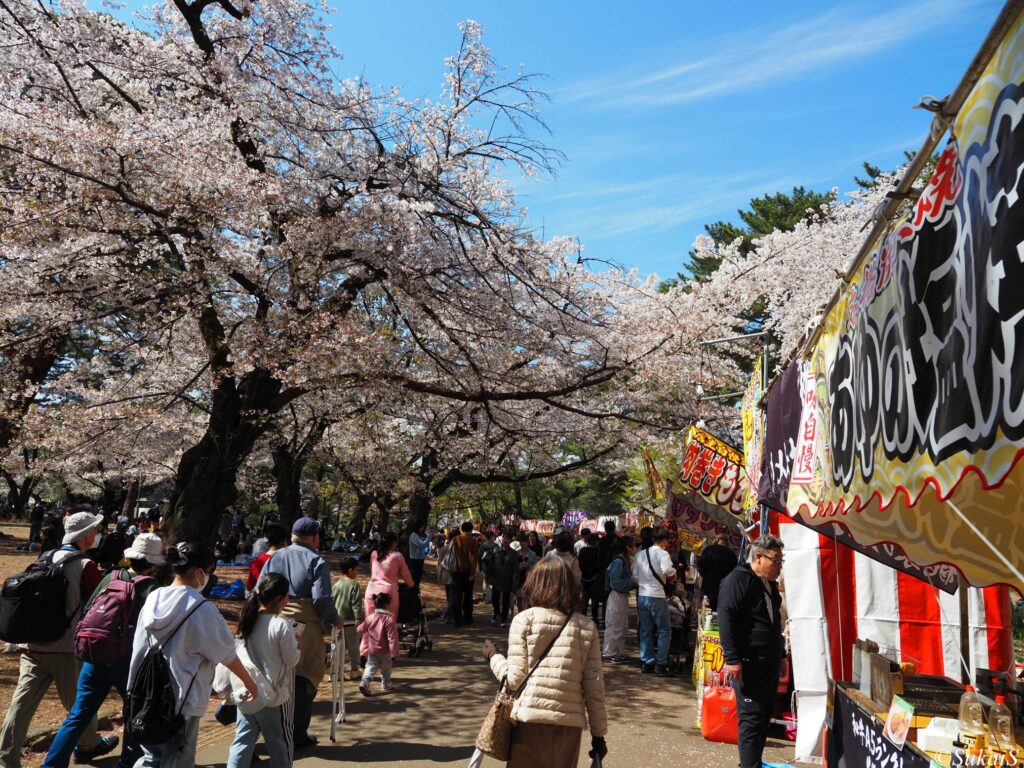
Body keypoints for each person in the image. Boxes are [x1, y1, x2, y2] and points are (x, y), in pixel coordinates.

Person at [0, 512, 117, 768]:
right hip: (66, 648)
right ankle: (88, 745)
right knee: (79, 703)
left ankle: (6, 759)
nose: (97, 535)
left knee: (21, 704)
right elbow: (98, 605)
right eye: (95, 531)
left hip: (32, 645)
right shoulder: (85, 565)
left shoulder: (45, 556)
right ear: (86, 535)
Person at [128, 542, 257, 768]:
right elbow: (227, 654)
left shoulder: (153, 597)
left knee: (151, 758)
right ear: (199, 572)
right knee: (178, 760)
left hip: (143, 695)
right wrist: (249, 682)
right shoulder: (201, 608)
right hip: (181, 701)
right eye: (208, 573)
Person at [42, 533, 165, 768]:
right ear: (153, 564)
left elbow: (89, 608)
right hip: (126, 661)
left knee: (78, 715)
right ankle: (128, 762)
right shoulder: (152, 588)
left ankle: (51, 765)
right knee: (133, 714)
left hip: (95, 654)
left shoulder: (111, 576)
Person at [482, 556, 608, 768]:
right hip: (569, 727)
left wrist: (493, 657)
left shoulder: (524, 620)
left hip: (529, 723)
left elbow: (514, 679)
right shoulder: (586, 626)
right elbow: (594, 688)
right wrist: (598, 735)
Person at [260, 517, 342, 751]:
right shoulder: (316, 560)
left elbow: (259, 589)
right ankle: (297, 734)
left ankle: (273, 732)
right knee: (305, 677)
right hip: (305, 623)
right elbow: (321, 598)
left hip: (274, 621)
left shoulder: (274, 557)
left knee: (275, 675)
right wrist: (333, 620)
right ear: (315, 536)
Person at [719, 535, 784, 768]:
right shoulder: (738, 579)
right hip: (749, 661)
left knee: (763, 717)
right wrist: (733, 658)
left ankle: (753, 762)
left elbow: (772, 620)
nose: (779, 566)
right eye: (775, 560)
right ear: (758, 557)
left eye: (780, 560)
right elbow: (726, 618)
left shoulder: (765, 583)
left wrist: (782, 654)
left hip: (768, 660)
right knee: (751, 718)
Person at [225, 573, 301, 768]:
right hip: (272, 695)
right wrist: (297, 644)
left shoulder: (247, 620)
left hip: (247, 690)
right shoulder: (281, 625)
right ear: (280, 599)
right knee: (279, 741)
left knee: (242, 740)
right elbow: (292, 659)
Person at [632, 528, 674, 675]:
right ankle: (661, 663)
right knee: (664, 630)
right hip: (657, 595)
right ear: (664, 540)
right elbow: (668, 570)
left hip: (642, 595)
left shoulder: (640, 554)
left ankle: (647, 662)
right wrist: (673, 574)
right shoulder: (663, 553)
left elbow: (635, 576)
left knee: (645, 629)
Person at [363, 531, 413, 619]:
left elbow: (373, 571)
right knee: (388, 625)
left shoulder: (374, 554)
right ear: (394, 542)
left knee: (371, 624)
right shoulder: (397, 556)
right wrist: (411, 585)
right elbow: (407, 577)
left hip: (371, 593)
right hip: (388, 595)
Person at [357, 592, 399, 696]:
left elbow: (360, 629)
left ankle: (365, 681)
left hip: (372, 650)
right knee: (386, 668)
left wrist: (358, 626)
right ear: (386, 605)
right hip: (385, 651)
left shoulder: (370, 617)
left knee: (370, 666)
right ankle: (385, 684)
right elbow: (392, 637)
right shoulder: (389, 619)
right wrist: (394, 653)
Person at [602, 536, 635, 663]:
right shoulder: (619, 562)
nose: (635, 548)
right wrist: (631, 582)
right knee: (615, 625)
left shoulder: (623, 560)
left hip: (621, 596)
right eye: (633, 544)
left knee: (621, 625)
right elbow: (616, 582)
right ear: (628, 547)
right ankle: (610, 652)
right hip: (617, 596)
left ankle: (617, 652)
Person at [331, 558, 364, 680]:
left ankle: (335, 672)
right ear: (350, 570)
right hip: (350, 621)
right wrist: (358, 617)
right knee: (353, 647)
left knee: (337, 648)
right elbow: (356, 603)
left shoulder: (336, 585)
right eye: (356, 569)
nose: (357, 572)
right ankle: (354, 670)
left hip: (337, 621)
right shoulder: (354, 585)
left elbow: (332, 601)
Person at [450, 521, 479, 627]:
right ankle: (467, 617)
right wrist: (472, 573)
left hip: (456, 570)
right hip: (467, 572)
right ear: (471, 530)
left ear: (462, 529)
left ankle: (457, 619)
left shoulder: (455, 539)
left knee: (456, 595)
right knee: (467, 595)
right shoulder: (473, 540)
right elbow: (473, 558)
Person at [245, 523, 289, 594]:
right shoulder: (287, 560)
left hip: (262, 600)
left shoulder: (258, 561)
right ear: (285, 542)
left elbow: (249, 587)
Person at [488, 533, 520, 627]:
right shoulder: (496, 551)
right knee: (494, 599)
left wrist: (515, 583)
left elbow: (515, 569)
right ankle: (496, 613)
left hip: (507, 579)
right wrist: (489, 577)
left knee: (506, 600)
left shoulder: (514, 554)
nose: (505, 540)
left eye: (507, 539)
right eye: (504, 538)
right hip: (496, 579)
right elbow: (491, 564)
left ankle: (503, 619)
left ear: (510, 541)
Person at [698, 534, 737, 610]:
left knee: (708, 614)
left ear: (715, 540)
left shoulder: (708, 550)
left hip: (708, 589)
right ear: (727, 542)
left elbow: (701, 567)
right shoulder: (732, 554)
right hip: (726, 590)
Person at [577, 534, 604, 623]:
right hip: (595, 580)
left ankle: (582, 619)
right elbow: (599, 565)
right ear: (596, 542)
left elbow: (579, 563)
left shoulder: (583, 550)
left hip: (584, 579)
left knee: (584, 601)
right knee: (594, 601)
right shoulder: (598, 552)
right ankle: (594, 619)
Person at [407, 522, 430, 588]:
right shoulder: (413, 535)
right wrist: (429, 537)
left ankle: (415, 591)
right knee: (415, 577)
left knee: (417, 577)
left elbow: (422, 542)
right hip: (415, 560)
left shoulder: (416, 535)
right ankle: (413, 592)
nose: (422, 529)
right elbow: (421, 544)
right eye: (422, 527)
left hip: (419, 559)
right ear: (418, 527)